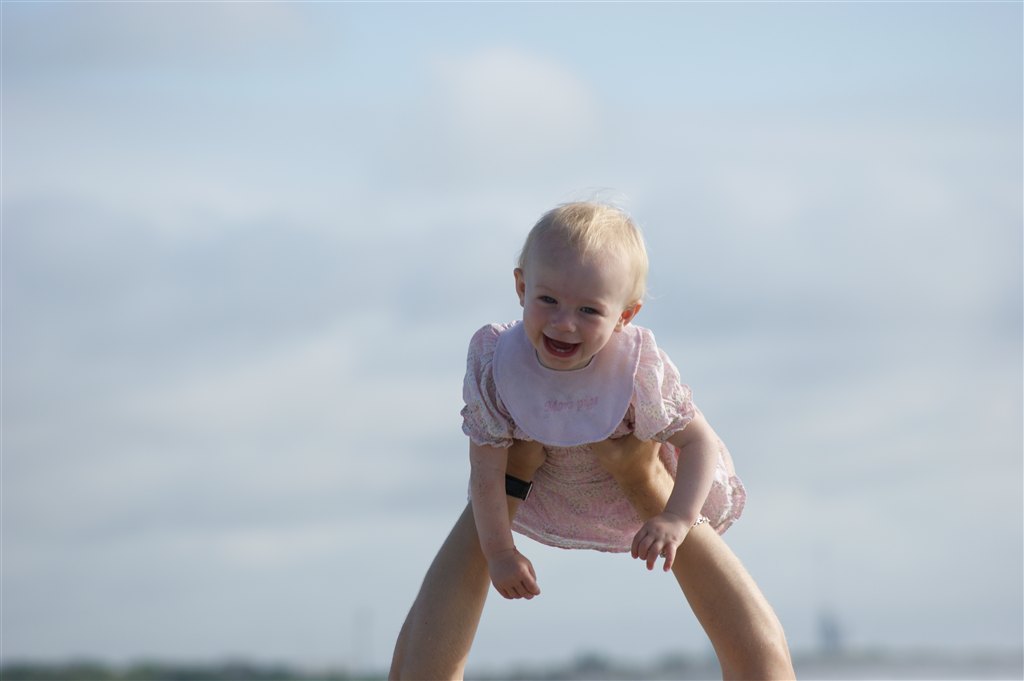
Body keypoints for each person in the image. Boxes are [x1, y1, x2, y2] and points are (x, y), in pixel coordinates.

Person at [390, 202, 794, 680]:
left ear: (625, 316)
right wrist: (499, 551)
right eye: (548, 300)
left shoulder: (638, 371)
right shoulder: (497, 363)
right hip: (545, 491)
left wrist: (674, 515)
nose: (564, 323)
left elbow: (699, 442)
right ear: (520, 288)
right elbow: (483, 469)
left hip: (635, 497)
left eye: (589, 310)